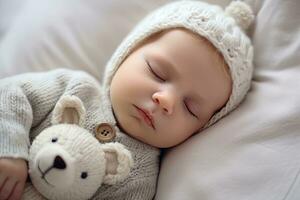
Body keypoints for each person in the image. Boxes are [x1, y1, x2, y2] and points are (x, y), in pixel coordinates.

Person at [0, 1, 254, 199]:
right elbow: (11, 94)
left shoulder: (140, 180)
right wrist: (10, 151)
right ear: (127, 54)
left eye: (190, 107)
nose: (165, 100)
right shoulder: (75, 87)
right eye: (157, 72)